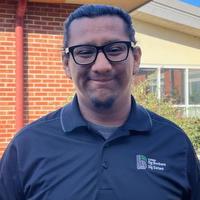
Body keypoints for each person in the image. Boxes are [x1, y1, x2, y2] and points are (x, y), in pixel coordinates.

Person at [0, 4, 199, 200]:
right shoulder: (27, 147)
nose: (101, 66)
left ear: (136, 59)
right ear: (66, 64)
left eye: (115, 49)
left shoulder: (175, 143)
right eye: (85, 52)